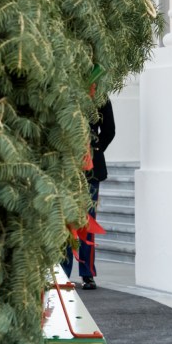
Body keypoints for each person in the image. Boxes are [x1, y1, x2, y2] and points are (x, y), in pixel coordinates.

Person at [63, 98, 115, 290]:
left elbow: (109, 130)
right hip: (65, 165)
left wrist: (94, 150)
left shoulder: (99, 96)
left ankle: (85, 272)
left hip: (90, 168)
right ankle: (68, 272)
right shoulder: (65, 91)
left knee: (86, 220)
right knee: (66, 220)